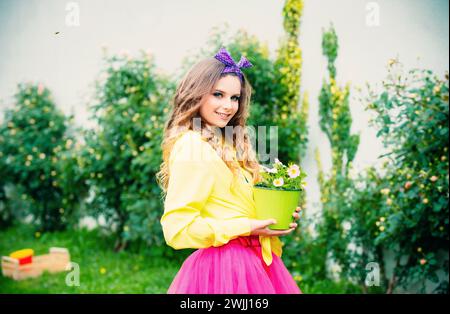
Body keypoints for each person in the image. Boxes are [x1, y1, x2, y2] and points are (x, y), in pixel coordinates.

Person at [156, 47, 302, 294]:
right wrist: (246, 227)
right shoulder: (192, 146)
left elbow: (232, 204)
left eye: (235, 98)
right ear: (196, 95)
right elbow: (177, 228)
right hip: (225, 270)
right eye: (218, 94)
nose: (228, 106)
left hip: (255, 262)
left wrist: (274, 211)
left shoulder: (229, 142)